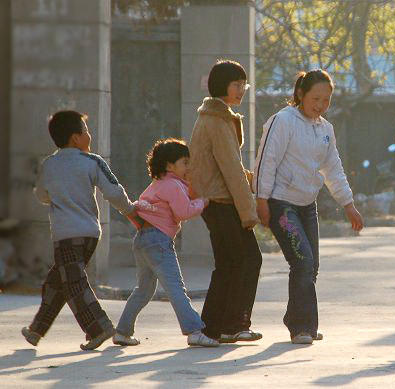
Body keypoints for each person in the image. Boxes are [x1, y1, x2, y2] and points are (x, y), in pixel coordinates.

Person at [253, 69, 364, 344]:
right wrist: (262, 200)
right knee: (302, 262)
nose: (321, 105)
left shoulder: (325, 129)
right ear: (300, 94)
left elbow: (333, 168)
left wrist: (348, 204)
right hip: (281, 203)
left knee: (311, 266)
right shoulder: (282, 121)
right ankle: (301, 328)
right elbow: (266, 161)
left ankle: (300, 321)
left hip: (307, 204)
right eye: (316, 98)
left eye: (326, 100)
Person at [22, 110, 136, 350]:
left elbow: (42, 194)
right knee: (58, 283)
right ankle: (36, 331)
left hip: (65, 235)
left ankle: (99, 327)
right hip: (90, 234)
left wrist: (58, 196)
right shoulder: (93, 161)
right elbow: (114, 192)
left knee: (74, 284)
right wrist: (131, 212)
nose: (89, 135)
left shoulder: (49, 164)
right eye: (86, 130)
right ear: (76, 138)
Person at [187, 60, 263, 346]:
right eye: (236, 84)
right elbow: (230, 169)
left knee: (230, 263)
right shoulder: (217, 120)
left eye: (243, 84)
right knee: (246, 260)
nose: (241, 89)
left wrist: (256, 181)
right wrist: (249, 212)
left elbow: (229, 166)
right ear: (222, 86)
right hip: (222, 201)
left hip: (215, 200)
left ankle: (214, 328)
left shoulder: (214, 116)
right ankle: (228, 325)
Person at [113, 138, 210, 347]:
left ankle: (122, 331)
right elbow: (183, 212)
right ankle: (194, 331)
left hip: (142, 240)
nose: (188, 167)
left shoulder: (156, 185)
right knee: (176, 288)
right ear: (169, 166)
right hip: (159, 241)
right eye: (185, 162)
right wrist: (203, 202)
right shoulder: (173, 185)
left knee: (144, 289)